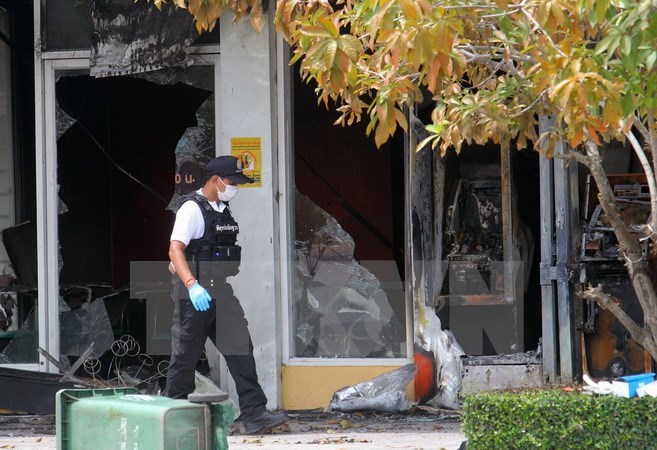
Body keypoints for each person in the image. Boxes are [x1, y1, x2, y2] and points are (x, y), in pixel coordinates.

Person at [166, 155, 287, 434]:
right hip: (194, 293)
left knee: (241, 350)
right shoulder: (192, 209)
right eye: (231, 182)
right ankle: (173, 419)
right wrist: (191, 284)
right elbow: (175, 250)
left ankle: (255, 414)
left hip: (221, 290)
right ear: (214, 180)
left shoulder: (222, 209)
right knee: (186, 357)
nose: (235, 187)